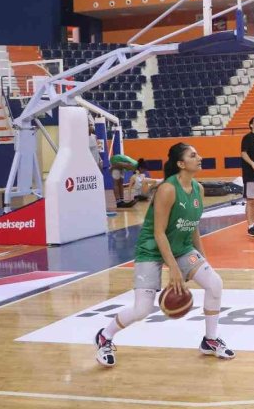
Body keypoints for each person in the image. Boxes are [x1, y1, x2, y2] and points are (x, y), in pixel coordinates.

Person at [94, 143, 234, 367]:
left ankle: (209, 340)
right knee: (143, 309)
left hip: (182, 246)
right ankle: (105, 336)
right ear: (181, 164)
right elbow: (159, 232)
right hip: (151, 248)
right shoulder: (168, 190)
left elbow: (193, 226)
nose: (200, 157)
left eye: (198, 153)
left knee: (214, 283)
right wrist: (175, 271)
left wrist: (202, 257)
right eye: (193, 155)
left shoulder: (198, 189)